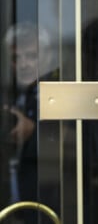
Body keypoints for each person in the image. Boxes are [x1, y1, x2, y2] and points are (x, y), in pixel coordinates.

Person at [0, 22, 58, 223]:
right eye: (16, 58)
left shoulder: (58, 92)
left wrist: (34, 131)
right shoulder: (13, 95)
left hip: (49, 205)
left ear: (48, 57)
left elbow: (77, 145)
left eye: (32, 56)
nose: (23, 64)